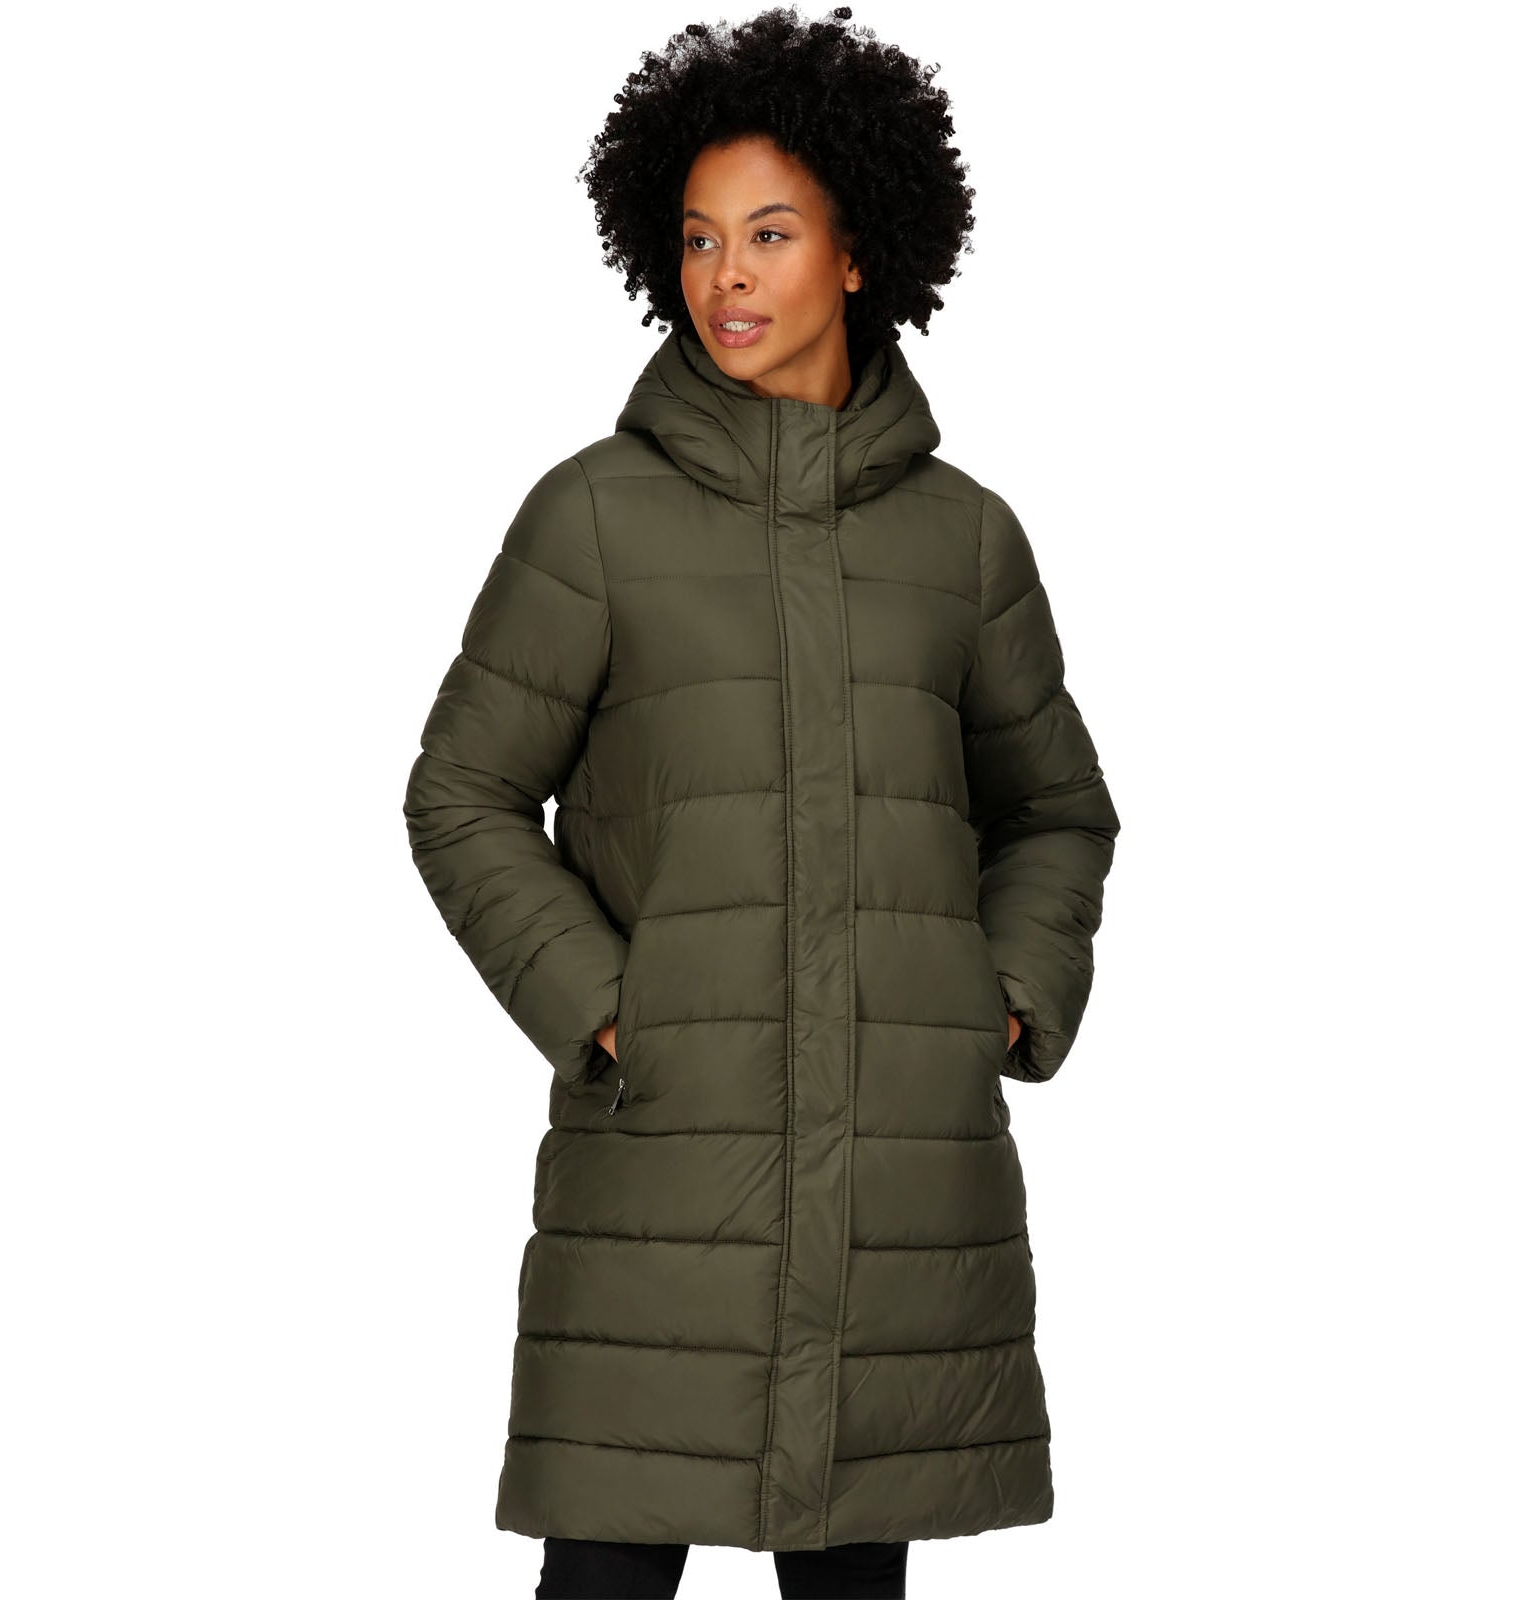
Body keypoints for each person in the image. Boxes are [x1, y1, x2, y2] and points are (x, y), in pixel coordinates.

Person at [402, 8, 1121, 1597]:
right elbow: (460, 791)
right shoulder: (594, 519)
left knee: (853, 1583)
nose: (725, 276)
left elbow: (1058, 809)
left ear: (860, 254)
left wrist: (1000, 1000)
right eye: (699, 237)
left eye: (771, 235)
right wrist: (610, 1009)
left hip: (893, 1189)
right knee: (606, 1575)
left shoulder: (966, 542)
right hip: (664, 1179)